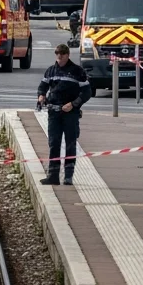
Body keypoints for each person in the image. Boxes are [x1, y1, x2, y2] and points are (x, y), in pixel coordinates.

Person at [37, 42, 91, 186]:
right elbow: (43, 86)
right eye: (57, 55)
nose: (59, 58)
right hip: (54, 112)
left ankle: (68, 176)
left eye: (62, 55)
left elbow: (87, 92)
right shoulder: (51, 71)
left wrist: (73, 104)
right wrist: (41, 96)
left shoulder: (77, 71)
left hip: (70, 113)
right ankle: (53, 176)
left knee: (70, 144)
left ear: (67, 55)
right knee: (54, 143)